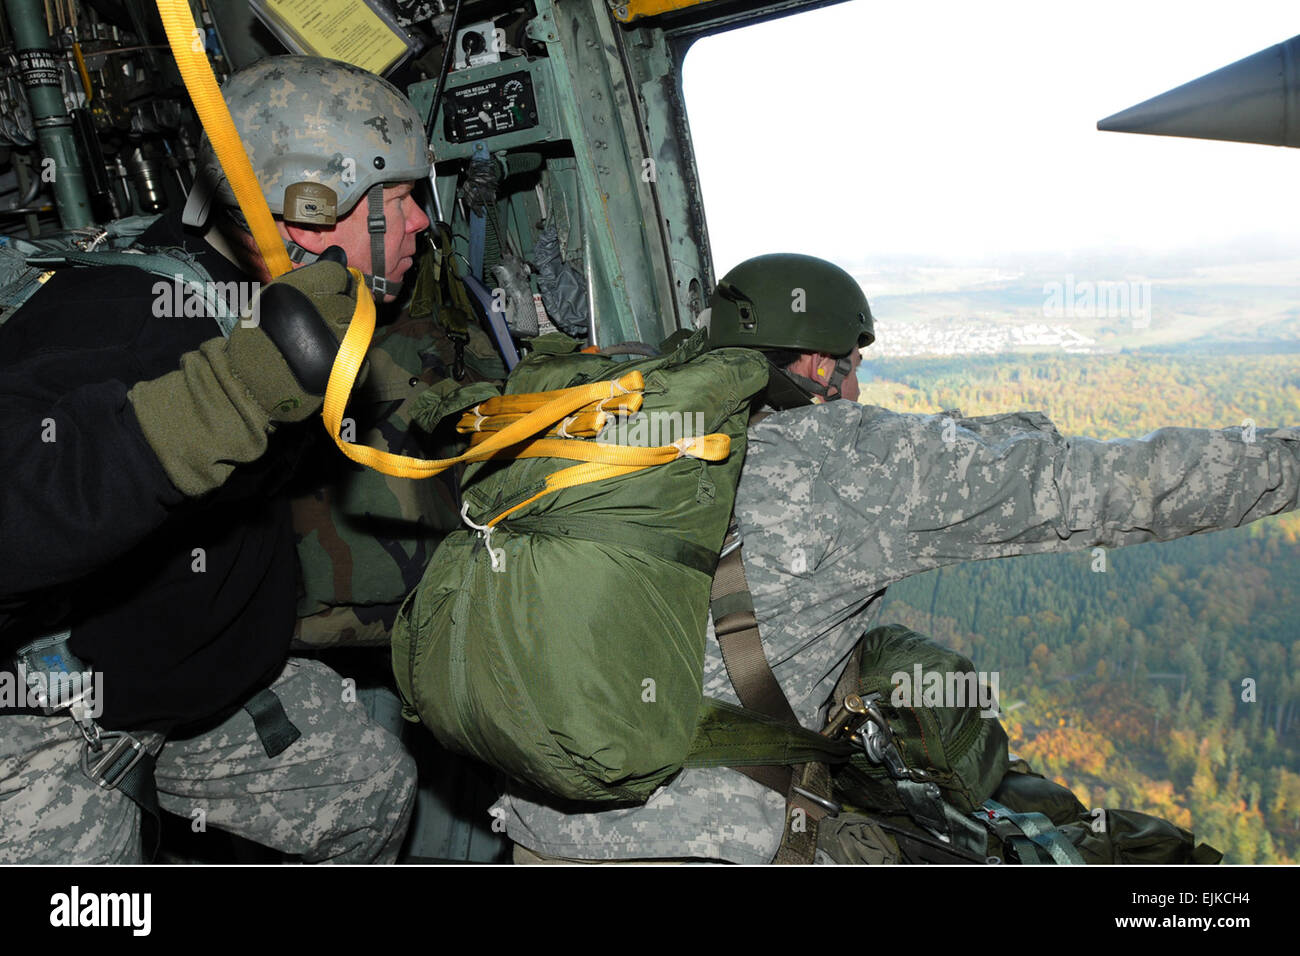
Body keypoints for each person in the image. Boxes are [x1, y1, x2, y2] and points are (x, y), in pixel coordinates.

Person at [495, 251, 1300, 864]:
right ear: (817, 365)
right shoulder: (842, 464)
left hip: (538, 822)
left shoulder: (622, 431)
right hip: (694, 845)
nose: (857, 387)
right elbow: (1122, 487)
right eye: (852, 365)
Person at [0, 55, 432, 863]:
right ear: (307, 216)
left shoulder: (253, 298)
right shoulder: (122, 318)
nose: (420, 224)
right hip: (47, 714)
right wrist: (223, 399)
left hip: (199, 688)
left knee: (360, 791)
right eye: (400, 199)